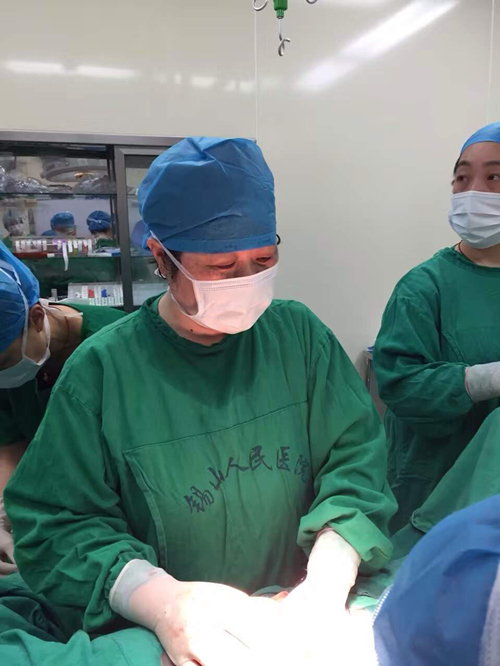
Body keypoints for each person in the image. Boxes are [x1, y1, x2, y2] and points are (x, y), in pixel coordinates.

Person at [6, 137, 396, 666]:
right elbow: (58, 525)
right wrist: (161, 601)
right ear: (161, 258)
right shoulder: (101, 373)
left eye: (263, 259)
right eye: (222, 266)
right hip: (177, 649)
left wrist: (329, 575)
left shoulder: (300, 339)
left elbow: (356, 462)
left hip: (296, 620)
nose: (247, 281)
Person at [374, 121, 500, 533]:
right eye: (462, 178)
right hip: (434, 495)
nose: (473, 192)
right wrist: (486, 379)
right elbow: (400, 386)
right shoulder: (423, 287)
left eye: (494, 177)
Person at [0, 240, 126, 574]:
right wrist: (4, 512)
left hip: (121, 517)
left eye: (3, 361)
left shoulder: (117, 343)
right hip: (51, 519)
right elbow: (9, 444)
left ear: (36, 317)